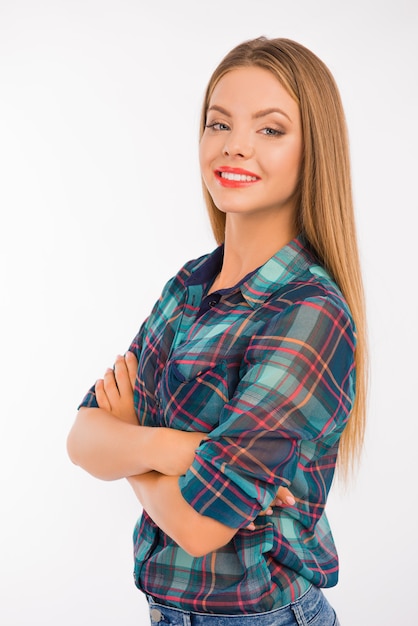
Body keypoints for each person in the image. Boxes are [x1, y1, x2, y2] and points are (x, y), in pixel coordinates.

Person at [67, 36, 367, 626]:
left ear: (314, 152)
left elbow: (201, 525)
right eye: (219, 123)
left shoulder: (310, 313)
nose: (235, 146)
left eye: (270, 129)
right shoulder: (189, 287)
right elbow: (82, 437)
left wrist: (129, 440)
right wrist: (178, 449)